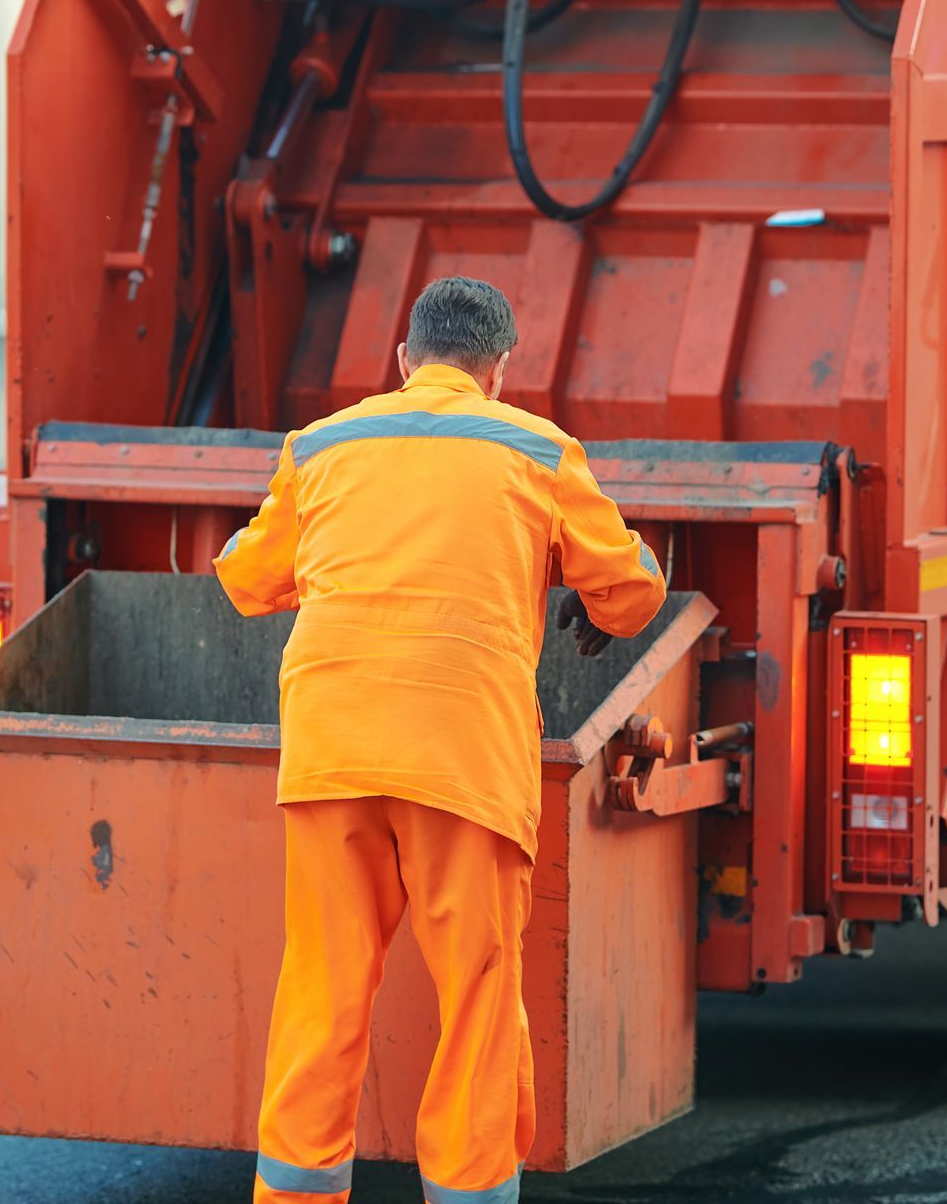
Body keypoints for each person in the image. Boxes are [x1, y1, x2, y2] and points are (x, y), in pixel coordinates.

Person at [213, 275, 666, 1204]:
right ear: (498, 371)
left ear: (403, 360)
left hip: (332, 748)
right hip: (462, 754)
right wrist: (586, 594)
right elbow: (633, 592)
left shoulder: (324, 443)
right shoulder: (536, 448)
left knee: (322, 991)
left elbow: (248, 581)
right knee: (477, 1001)